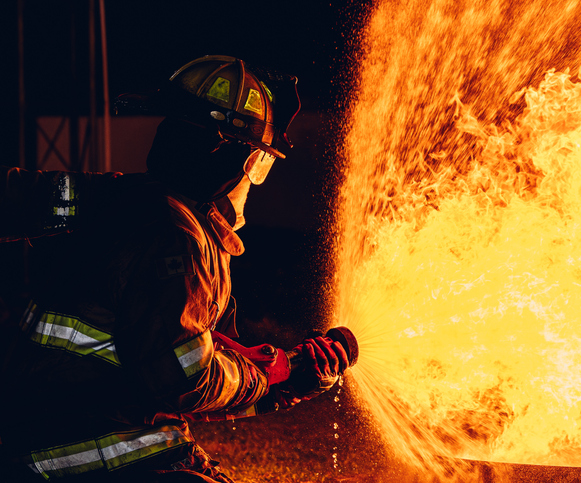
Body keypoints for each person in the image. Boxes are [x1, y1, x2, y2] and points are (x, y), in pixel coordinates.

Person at [0, 55, 349, 482]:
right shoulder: (177, 237)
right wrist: (267, 375)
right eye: (260, 163)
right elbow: (186, 380)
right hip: (96, 454)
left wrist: (285, 383)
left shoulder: (123, 199)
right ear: (238, 160)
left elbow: (179, 374)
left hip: (60, 439)